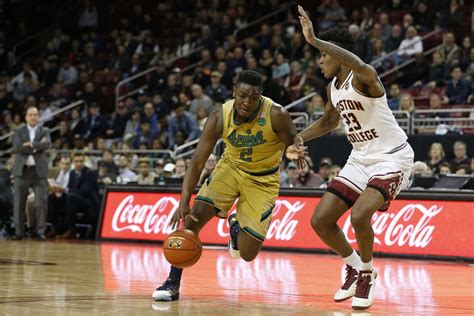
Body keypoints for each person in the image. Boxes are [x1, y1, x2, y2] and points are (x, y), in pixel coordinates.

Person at [287, 6, 415, 310]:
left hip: (392, 158)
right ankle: (354, 265)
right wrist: (297, 139)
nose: (319, 62)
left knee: (359, 215)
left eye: (323, 56)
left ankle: (368, 274)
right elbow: (330, 122)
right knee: (320, 220)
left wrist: (315, 39)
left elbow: (356, 62)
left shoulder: (365, 76)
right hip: (360, 158)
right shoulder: (333, 87)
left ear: (337, 53)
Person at [153, 70, 304, 301]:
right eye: (242, 95)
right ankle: (172, 283)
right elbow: (197, 161)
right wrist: (183, 200)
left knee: (247, 253)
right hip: (230, 169)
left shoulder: (277, 114)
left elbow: (294, 143)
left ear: (260, 96)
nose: (247, 102)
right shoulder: (218, 116)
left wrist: (293, 149)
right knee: (192, 219)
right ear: (234, 92)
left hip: (263, 180)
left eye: (254, 97)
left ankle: (235, 227)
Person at [11, 106, 51, 240]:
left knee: (40, 202)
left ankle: (40, 232)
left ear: (38, 117)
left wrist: (31, 144)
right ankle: (19, 232)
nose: (33, 117)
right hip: (22, 171)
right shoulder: (19, 130)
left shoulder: (45, 130)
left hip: (38, 172)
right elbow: (17, 147)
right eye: (30, 115)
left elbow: (47, 144)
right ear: (26, 117)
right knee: (19, 203)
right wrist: (36, 146)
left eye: (35, 115)